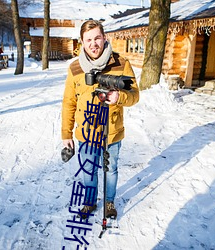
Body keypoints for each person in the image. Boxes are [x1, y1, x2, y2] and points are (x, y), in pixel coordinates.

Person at [61, 20, 139, 219]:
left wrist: (119, 97)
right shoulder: (75, 68)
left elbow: (135, 95)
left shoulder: (121, 63)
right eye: (88, 40)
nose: (93, 44)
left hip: (112, 132)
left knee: (110, 169)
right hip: (86, 133)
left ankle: (109, 201)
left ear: (104, 38)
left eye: (97, 38)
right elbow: (69, 102)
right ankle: (89, 202)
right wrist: (66, 134)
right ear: (82, 42)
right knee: (88, 170)